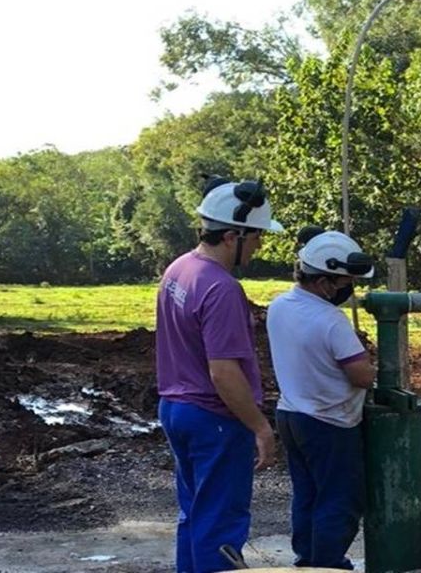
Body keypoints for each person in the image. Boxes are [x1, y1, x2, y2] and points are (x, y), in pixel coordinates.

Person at [155, 178, 283, 573]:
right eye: (257, 236)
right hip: (215, 420)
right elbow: (224, 372)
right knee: (220, 526)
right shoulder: (222, 288)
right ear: (232, 236)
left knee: (194, 515)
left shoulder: (179, 268)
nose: (261, 244)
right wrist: (261, 428)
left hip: (176, 408)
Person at [266, 229, 376, 570]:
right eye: (344, 282)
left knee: (308, 494)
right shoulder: (330, 321)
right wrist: (377, 365)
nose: (348, 289)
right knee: (339, 498)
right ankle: (328, 563)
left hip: (290, 413)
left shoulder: (280, 305)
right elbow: (360, 375)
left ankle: (308, 559)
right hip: (329, 421)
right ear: (325, 282)